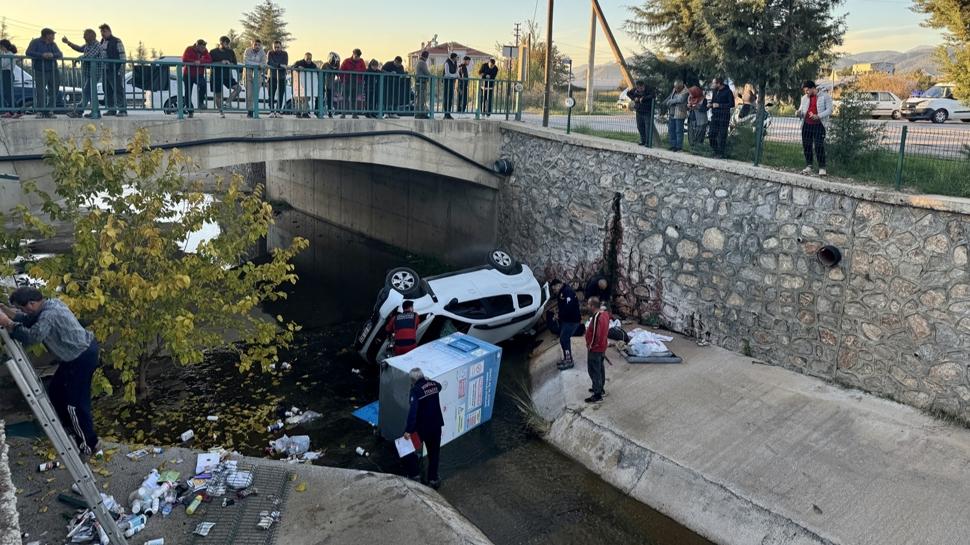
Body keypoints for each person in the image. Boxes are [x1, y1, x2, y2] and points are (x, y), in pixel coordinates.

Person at [0, 287, 101, 456]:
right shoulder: (46, 306)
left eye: (22, 307)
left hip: (81, 358)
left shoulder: (49, 314)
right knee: (55, 391)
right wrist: (6, 311)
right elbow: (28, 319)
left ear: (32, 303)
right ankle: (70, 429)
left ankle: (89, 444)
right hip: (74, 357)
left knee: (73, 404)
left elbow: (33, 336)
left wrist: (8, 324)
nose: (22, 311)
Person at [404, 368, 444, 488]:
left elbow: (413, 412)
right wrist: (429, 380)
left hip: (421, 429)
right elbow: (440, 386)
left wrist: (408, 430)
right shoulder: (433, 385)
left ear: (412, 380)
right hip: (436, 426)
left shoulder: (415, 390)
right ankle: (433, 479)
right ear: (423, 376)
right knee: (434, 453)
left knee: (408, 449)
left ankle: (414, 475)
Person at [62, 30, 104, 119]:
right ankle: (96, 112)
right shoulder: (88, 45)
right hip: (89, 73)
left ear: (91, 36)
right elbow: (80, 49)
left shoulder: (96, 45)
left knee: (86, 92)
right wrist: (68, 43)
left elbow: (90, 56)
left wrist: (79, 58)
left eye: (85, 35)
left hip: (95, 73)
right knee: (90, 93)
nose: (83, 37)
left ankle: (79, 111)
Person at [797, 80, 832, 177]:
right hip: (807, 124)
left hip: (819, 125)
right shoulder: (804, 98)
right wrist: (799, 113)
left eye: (807, 90)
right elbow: (801, 109)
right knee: (807, 145)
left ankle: (822, 167)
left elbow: (829, 110)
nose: (806, 92)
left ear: (813, 88)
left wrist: (818, 116)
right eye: (805, 91)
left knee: (818, 145)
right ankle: (809, 165)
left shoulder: (825, 96)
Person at [25, 28, 62, 118]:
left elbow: (60, 54)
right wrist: (42, 55)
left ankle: (49, 110)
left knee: (54, 90)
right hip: (40, 70)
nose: (54, 37)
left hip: (53, 70)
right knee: (40, 91)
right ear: (47, 35)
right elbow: (28, 52)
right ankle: (40, 111)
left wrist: (53, 55)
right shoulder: (35, 42)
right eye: (52, 35)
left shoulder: (53, 44)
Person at [584, 296, 610, 404]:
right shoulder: (605, 314)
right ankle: (600, 388)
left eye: (588, 305)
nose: (587, 307)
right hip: (602, 347)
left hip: (595, 349)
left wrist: (591, 345)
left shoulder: (597, 317)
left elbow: (596, 334)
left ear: (592, 306)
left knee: (594, 370)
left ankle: (597, 395)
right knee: (600, 368)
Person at [550, 279, 581, 370]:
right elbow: (563, 306)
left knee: (564, 339)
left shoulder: (567, 292)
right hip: (567, 320)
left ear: (559, 285)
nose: (554, 291)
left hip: (572, 321)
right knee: (563, 339)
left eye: (554, 288)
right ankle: (567, 358)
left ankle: (569, 361)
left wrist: (559, 315)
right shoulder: (562, 292)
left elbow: (569, 308)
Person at [98, 24, 126, 117]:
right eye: (101, 32)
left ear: (109, 31)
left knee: (117, 89)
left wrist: (120, 70)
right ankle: (111, 109)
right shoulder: (102, 41)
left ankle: (122, 110)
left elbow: (122, 56)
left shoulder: (117, 41)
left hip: (114, 69)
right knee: (106, 89)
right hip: (104, 69)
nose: (102, 34)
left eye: (104, 31)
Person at [210, 36, 240, 118]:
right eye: (225, 43)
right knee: (218, 95)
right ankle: (221, 112)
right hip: (216, 76)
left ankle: (227, 103)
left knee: (238, 88)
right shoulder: (213, 52)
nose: (227, 45)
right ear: (221, 43)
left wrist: (230, 63)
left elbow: (235, 64)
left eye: (228, 43)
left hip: (228, 75)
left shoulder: (231, 52)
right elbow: (209, 64)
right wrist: (220, 62)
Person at [180, 39, 211, 118]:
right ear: (197, 46)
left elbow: (209, 60)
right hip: (188, 74)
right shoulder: (189, 49)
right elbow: (184, 59)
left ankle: (201, 102)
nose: (203, 49)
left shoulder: (205, 51)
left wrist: (200, 61)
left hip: (199, 74)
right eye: (201, 47)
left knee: (203, 84)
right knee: (188, 92)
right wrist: (194, 61)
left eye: (204, 47)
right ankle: (190, 111)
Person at [709, 77, 734, 158]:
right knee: (711, 134)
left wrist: (720, 105)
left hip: (724, 116)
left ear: (718, 84)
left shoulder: (728, 91)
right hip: (715, 116)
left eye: (714, 83)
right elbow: (713, 101)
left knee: (722, 136)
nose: (712, 84)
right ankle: (715, 151)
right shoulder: (715, 91)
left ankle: (721, 153)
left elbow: (731, 104)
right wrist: (710, 104)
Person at [339, 48, 367, 118]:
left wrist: (358, 76)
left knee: (354, 98)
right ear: (353, 54)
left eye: (358, 57)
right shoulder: (346, 61)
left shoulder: (361, 61)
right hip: (347, 82)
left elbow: (364, 70)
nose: (357, 58)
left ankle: (354, 114)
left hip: (356, 82)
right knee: (345, 97)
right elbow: (341, 70)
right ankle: (343, 113)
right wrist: (343, 80)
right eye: (356, 56)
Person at [243, 39, 267, 118]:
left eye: (259, 45)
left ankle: (255, 111)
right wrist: (257, 65)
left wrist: (257, 65)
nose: (257, 46)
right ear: (252, 44)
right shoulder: (247, 51)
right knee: (249, 94)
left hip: (258, 75)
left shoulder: (262, 52)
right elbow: (246, 62)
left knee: (255, 94)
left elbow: (264, 64)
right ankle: (250, 111)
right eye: (255, 44)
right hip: (248, 74)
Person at [627, 81, 655, 146]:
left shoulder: (649, 89)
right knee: (640, 127)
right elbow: (628, 93)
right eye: (637, 88)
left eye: (640, 88)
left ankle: (648, 142)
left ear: (643, 86)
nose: (639, 90)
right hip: (639, 110)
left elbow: (653, 96)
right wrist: (634, 98)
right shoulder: (635, 89)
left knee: (647, 127)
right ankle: (643, 140)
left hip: (647, 111)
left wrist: (643, 98)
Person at [664, 81, 689, 152]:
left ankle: (679, 147)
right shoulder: (675, 89)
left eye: (678, 88)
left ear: (681, 87)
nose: (676, 89)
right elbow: (670, 97)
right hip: (672, 112)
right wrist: (665, 102)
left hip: (680, 113)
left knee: (678, 131)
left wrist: (671, 101)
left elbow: (680, 100)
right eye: (675, 87)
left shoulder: (685, 91)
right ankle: (673, 145)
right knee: (671, 129)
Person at [291, 52, 318, 118]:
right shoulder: (299, 62)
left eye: (310, 59)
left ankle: (305, 113)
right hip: (299, 84)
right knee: (298, 98)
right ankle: (298, 112)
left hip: (307, 85)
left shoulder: (313, 65)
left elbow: (316, 70)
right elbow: (292, 67)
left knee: (306, 98)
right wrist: (297, 67)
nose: (309, 60)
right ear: (304, 58)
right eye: (307, 59)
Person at [267, 41, 288, 118]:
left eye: (278, 47)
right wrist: (279, 65)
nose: (276, 49)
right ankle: (271, 111)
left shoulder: (285, 54)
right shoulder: (270, 53)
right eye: (275, 47)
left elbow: (285, 64)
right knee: (271, 94)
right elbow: (269, 62)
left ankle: (278, 111)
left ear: (281, 47)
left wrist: (279, 65)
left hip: (282, 77)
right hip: (272, 76)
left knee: (281, 94)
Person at [0, 39, 18, 118]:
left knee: (8, 93)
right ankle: (10, 111)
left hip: (7, 73)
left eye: (1, 47)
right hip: (3, 73)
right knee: (5, 93)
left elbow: (3, 64)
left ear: (4, 46)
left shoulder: (10, 54)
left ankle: (18, 110)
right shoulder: (4, 53)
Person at [414, 51, 431, 119]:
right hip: (422, 83)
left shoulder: (418, 61)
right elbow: (427, 72)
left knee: (419, 98)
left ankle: (419, 113)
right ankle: (420, 114)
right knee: (421, 99)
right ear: (426, 56)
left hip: (418, 82)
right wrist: (432, 76)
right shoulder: (422, 62)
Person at [441, 52, 459, 119]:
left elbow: (456, 72)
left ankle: (448, 113)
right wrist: (455, 76)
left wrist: (456, 76)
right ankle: (446, 113)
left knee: (450, 97)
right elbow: (447, 74)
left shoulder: (455, 63)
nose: (457, 59)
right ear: (453, 58)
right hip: (446, 82)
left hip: (451, 82)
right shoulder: (447, 63)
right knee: (446, 97)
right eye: (457, 57)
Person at [323, 52, 340, 118]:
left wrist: (337, 68)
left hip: (330, 86)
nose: (335, 63)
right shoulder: (325, 65)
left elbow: (338, 75)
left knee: (329, 100)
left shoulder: (335, 67)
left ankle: (330, 112)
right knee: (321, 99)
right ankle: (319, 112)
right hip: (323, 85)